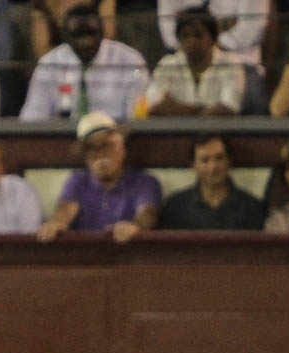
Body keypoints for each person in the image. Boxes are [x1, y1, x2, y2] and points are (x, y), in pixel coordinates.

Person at [36, 110, 161, 242]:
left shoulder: (144, 182)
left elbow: (147, 214)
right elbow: (66, 210)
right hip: (87, 258)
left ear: (122, 148)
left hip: (130, 258)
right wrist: (56, 223)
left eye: (107, 145)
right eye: (91, 148)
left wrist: (136, 227)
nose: (101, 154)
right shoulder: (77, 181)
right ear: (85, 157)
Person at [20, 1, 149, 121]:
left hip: (114, 139)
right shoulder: (48, 64)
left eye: (90, 34)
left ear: (101, 29)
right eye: (78, 35)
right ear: (64, 34)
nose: (85, 42)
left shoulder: (130, 61)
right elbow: (32, 121)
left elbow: (137, 121)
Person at [146, 4, 245, 116]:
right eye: (185, 35)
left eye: (198, 35)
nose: (191, 41)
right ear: (179, 39)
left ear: (213, 38)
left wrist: (176, 109)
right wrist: (205, 109)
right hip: (176, 133)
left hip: (217, 132)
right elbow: (152, 105)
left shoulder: (230, 63)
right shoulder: (167, 64)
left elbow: (229, 108)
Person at [159, 133, 265, 230]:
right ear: (193, 165)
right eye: (205, 160)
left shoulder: (251, 207)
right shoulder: (175, 207)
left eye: (219, 158)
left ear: (229, 161)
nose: (213, 167)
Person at [157, 0, 269, 66]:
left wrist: (201, 45)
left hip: (239, 63)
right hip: (184, 64)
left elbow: (249, 31)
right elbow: (169, 35)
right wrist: (225, 24)